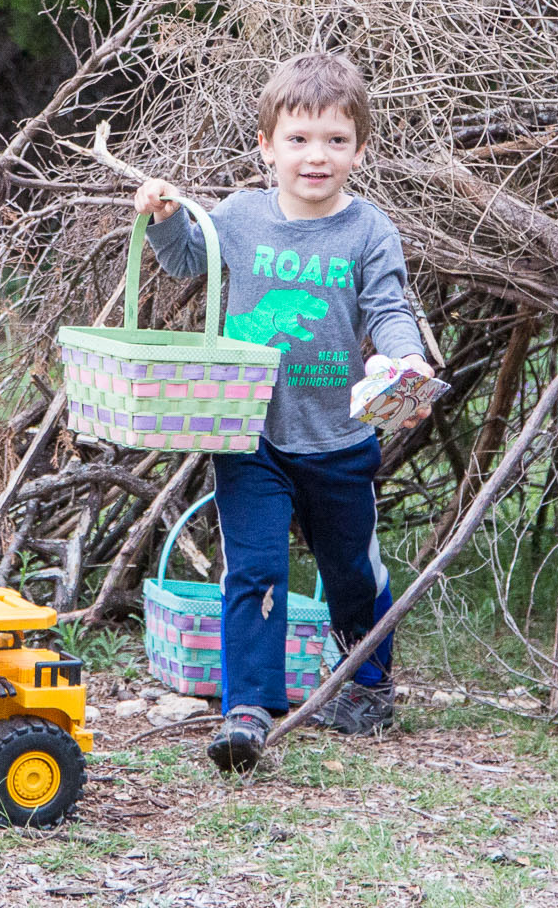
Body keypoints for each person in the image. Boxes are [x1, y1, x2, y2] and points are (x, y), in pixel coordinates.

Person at [134, 52, 434, 773]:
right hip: (250, 433)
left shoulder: (368, 231)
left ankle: (366, 684)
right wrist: (166, 219)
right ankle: (248, 710)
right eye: (298, 139)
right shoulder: (240, 216)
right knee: (254, 568)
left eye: (336, 140)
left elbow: (388, 307)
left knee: (352, 570)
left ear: (360, 149)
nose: (316, 156)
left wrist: (406, 360)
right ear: (267, 146)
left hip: (338, 436)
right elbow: (187, 260)